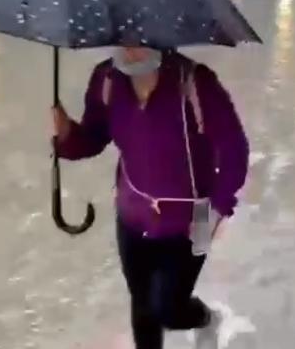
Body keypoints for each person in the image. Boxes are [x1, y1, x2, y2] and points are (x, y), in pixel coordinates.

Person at [52, 47, 250, 349]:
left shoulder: (196, 82)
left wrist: (219, 206)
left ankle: (206, 318)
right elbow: (92, 138)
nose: (131, 49)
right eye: (124, 38)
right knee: (142, 305)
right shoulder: (106, 79)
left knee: (168, 308)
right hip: (131, 213)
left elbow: (235, 149)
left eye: (140, 39)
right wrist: (67, 134)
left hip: (194, 217)